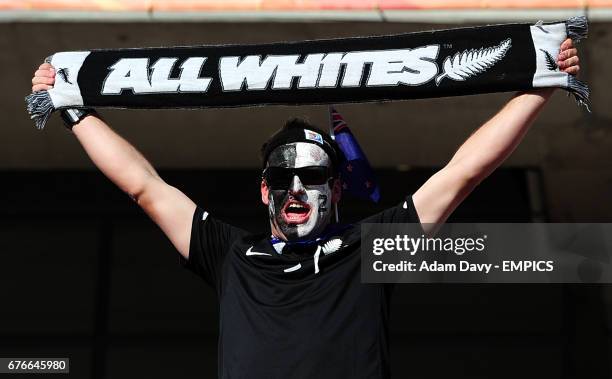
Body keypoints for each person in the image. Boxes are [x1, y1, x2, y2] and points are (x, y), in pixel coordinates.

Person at [31, 39, 580, 379]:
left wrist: (543, 83)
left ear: (336, 188)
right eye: (282, 179)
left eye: (313, 177)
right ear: (264, 192)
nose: (296, 189)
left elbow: (464, 171)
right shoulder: (231, 255)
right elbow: (143, 186)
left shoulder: (372, 248)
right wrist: (73, 108)